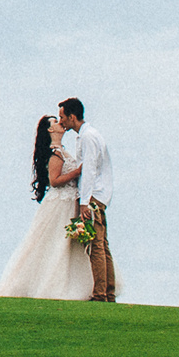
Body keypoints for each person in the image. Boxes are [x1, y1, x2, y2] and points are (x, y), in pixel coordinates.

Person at [0, 113, 93, 298]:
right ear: (50, 130)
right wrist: (77, 172)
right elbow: (55, 181)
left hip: (68, 201)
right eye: (56, 122)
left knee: (66, 245)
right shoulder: (55, 153)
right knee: (54, 244)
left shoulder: (61, 150)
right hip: (60, 204)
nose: (61, 123)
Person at [58, 98, 115, 302]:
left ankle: (101, 294)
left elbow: (89, 170)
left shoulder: (88, 137)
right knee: (102, 245)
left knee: (96, 245)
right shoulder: (89, 135)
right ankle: (108, 291)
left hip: (94, 196)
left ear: (72, 117)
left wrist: (84, 202)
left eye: (63, 117)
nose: (61, 121)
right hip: (99, 195)